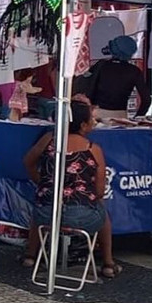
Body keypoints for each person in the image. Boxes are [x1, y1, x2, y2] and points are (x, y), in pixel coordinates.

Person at [21, 97, 121, 278]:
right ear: (83, 125)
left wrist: (42, 183)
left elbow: (28, 162)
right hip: (82, 218)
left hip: (46, 215)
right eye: (91, 120)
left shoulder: (48, 139)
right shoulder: (93, 149)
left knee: (41, 202)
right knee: (103, 213)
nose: (94, 123)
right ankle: (108, 263)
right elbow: (99, 192)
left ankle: (30, 255)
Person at [86, 35, 150, 120]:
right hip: (120, 116)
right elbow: (146, 99)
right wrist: (137, 118)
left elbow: (88, 87)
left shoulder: (101, 65)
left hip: (97, 114)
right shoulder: (134, 71)